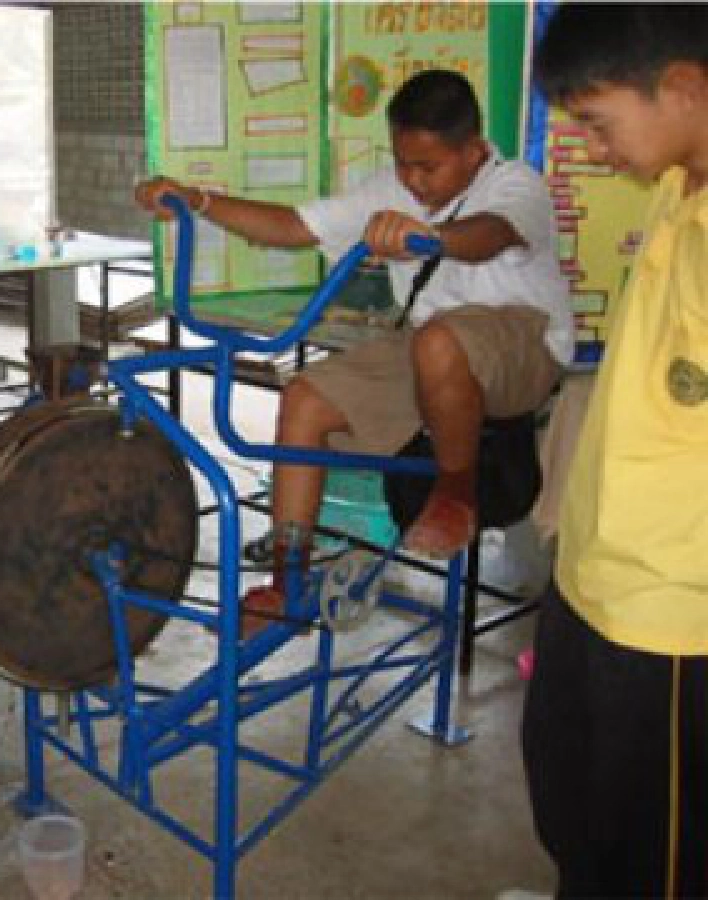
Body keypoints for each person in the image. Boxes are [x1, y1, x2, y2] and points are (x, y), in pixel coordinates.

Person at [136, 68, 572, 632]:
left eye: (428, 167)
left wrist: (432, 238)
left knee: (440, 342)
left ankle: (454, 493)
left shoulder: (516, 185)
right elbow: (293, 226)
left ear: (473, 149)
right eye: (402, 163)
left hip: (522, 339)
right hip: (431, 343)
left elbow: (490, 234)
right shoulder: (391, 189)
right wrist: (196, 201)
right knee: (305, 398)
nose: (412, 181)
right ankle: (288, 583)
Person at [524, 6, 707, 897]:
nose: (593, 152)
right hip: (594, 576)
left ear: (682, 88)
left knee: (655, 855)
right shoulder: (684, 183)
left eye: (597, 123)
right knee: (575, 812)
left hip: (672, 617)